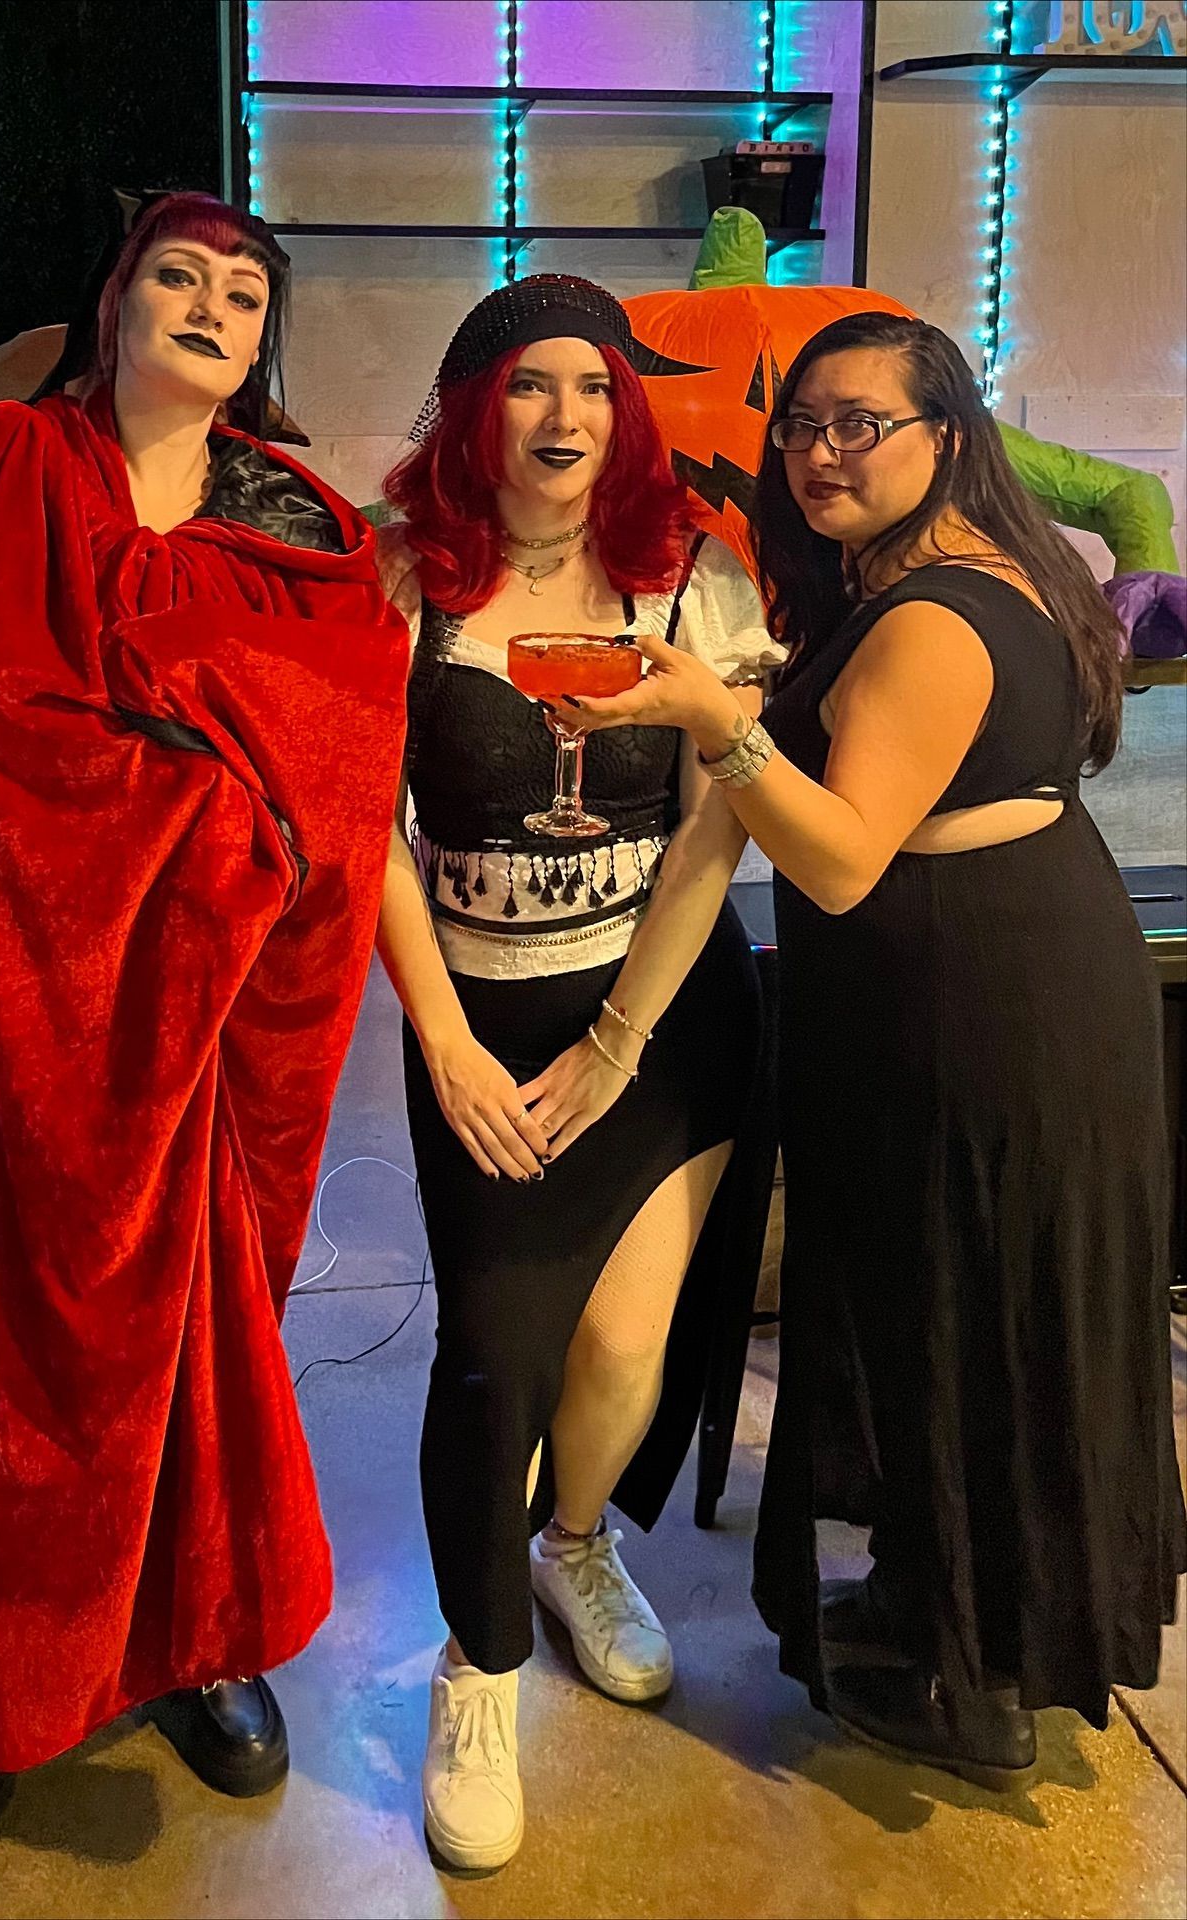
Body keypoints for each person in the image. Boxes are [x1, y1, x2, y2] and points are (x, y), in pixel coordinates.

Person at [570, 310, 1187, 1791]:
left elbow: (839, 861)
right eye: (803, 425)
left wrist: (721, 721)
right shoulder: (972, 570)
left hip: (976, 1008)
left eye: (862, 423)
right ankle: (957, 1613)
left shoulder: (927, 616)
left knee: (958, 1308)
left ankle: (973, 1678)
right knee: (978, 1305)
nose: (819, 451)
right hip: (1016, 974)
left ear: (946, 433)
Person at [0, 192, 409, 1858]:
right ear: (115, 304)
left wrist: (254, 827)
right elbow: (7, 723)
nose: (210, 304)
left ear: (265, 341)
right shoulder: (12, 474)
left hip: (242, 1008)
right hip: (54, 995)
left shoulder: (306, 524)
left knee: (214, 1332)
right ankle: (4, 1690)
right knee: (37, 1342)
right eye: (178, 276)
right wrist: (219, 823)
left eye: (244, 290)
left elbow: (344, 743)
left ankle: (196, 1644)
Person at [374, 275, 783, 1872]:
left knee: (621, 1350)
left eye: (597, 389)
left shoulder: (689, 578)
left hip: (665, 1015)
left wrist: (619, 1044)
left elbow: (718, 817)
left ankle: (575, 1547)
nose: (565, 419)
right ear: (476, 406)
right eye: (531, 386)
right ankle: (476, 1671)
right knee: (490, 1358)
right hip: (482, 1023)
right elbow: (365, 830)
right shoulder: (398, 577)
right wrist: (448, 1041)